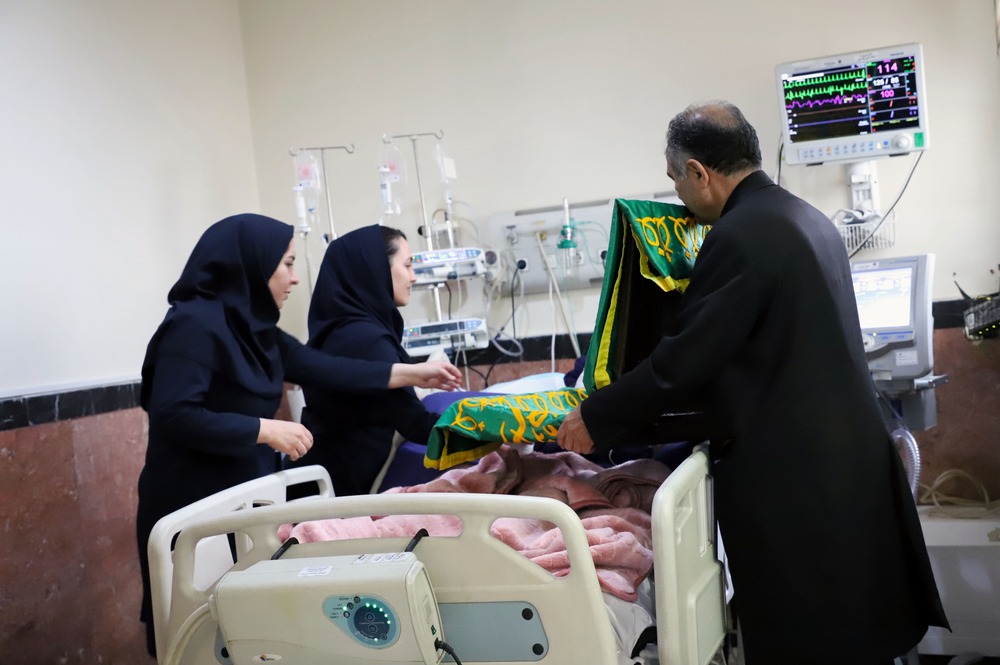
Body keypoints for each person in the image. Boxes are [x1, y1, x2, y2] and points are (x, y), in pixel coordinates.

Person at [557, 102, 948, 665]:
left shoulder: (740, 236)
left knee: (813, 637)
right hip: (844, 460)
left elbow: (683, 361)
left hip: (799, 479)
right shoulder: (803, 216)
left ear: (699, 173)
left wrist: (595, 416)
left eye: (675, 180)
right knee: (856, 626)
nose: (678, 197)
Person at [135, 213, 460, 657]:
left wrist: (412, 372)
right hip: (189, 501)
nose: (295, 277)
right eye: (287, 264)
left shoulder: (256, 330)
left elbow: (327, 368)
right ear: (252, 264)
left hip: (241, 497)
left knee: (241, 630)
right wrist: (265, 429)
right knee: (193, 637)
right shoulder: (193, 326)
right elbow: (174, 415)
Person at [286, 224, 444, 496]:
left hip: (320, 483)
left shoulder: (341, 329)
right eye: (407, 266)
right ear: (376, 269)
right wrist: (494, 430)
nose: (413, 276)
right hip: (337, 495)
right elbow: (419, 426)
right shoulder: (365, 339)